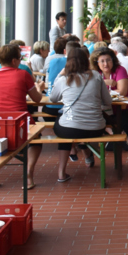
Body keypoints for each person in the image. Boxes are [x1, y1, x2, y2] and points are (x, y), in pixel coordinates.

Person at [0, 44, 45, 190]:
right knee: (36, 141)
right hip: (21, 121)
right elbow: (37, 99)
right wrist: (39, 89)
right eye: (19, 58)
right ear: (13, 61)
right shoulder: (22, 74)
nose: (20, 61)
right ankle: (29, 174)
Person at [48, 48, 114, 182]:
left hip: (70, 129)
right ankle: (87, 154)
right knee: (70, 126)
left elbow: (53, 99)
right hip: (96, 128)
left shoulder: (64, 79)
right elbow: (108, 102)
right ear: (86, 60)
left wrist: (60, 75)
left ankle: (61, 173)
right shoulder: (96, 76)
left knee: (63, 126)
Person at [92, 48, 128, 166]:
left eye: (108, 60)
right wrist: (105, 82)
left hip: (122, 109)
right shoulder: (94, 73)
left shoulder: (120, 70)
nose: (106, 64)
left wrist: (101, 88)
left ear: (113, 60)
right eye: (102, 61)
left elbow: (122, 90)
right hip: (100, 110)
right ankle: (88, 153)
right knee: (84, 124)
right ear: (96, 62)